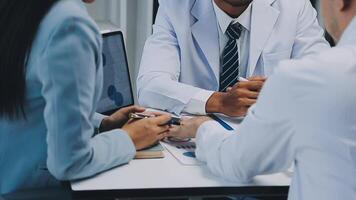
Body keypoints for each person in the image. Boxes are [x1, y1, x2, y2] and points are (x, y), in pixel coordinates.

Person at [168, 0, 356, 199]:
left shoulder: (312, 76)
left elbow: (236, 161)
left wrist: (202, 127)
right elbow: (152, 82)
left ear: (340, 2)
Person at [0, 0, 171, 195]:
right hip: (36, 190)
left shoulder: (21, 10)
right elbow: (69, 161)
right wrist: (130, 138)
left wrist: (102, 123)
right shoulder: (70, 25)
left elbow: (35, 106)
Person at [137, 0, 330, 117]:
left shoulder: (294, 6)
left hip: (267, 142)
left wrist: (278, 91)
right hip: (195, 140)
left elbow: (324, 79)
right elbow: (151, 85)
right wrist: (220, 102)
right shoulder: (175, 6)